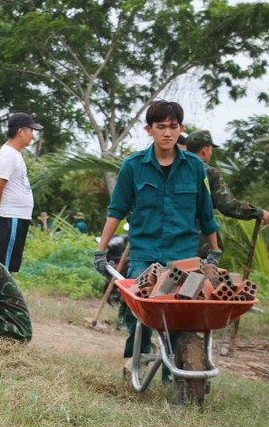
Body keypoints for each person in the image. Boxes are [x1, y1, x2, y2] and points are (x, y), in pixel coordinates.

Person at [93, 101, 220, 381]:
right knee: (137, 310)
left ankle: (171, 373)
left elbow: (206, 213)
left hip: (183, 255)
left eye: (173, 127)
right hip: (145, 254)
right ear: (149, 130)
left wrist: (215, 251)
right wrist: (100, 251)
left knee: (179, 314)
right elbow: (116, 211)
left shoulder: (196, 167)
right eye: (160, 127)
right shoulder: (134, 166)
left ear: (181, 129)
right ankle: (134, 359)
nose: (167, 133)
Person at [0, 112, 43, 272]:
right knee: (3, 267)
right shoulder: (8, 155)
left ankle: (4, 295)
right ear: (20, 131)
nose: (33, 135)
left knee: (10, 266)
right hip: (10, 217)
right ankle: (0, 296)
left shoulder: (15, 154)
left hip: (17, 217)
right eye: (31, 130)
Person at [186, 130, 269, 230]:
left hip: (170, 234)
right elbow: (228, 206)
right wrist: (258, 212)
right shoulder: (209, 172)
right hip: (198, 235)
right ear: (205, 150)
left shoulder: (173, 168)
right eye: (211, 150)